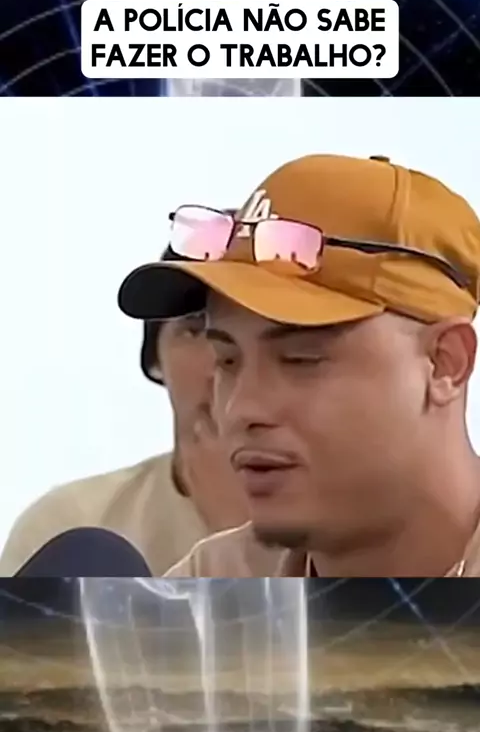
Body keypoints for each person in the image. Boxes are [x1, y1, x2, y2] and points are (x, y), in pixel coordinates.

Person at [118, 153, 480, 578]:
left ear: (444, 364)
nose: (239, 409)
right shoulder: (208, 589)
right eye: (227, 361)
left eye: (300, 360)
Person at [0, 246, 248, 577]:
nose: (220, 362)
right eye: (196, 328)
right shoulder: (70, 520)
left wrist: (241, 531)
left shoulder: (320, 525)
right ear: (155, 360)